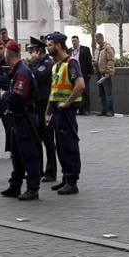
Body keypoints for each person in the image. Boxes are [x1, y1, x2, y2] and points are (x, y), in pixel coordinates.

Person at [0, 40, 43, 201]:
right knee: (17, 155)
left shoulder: (22, 72)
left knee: (29, 154)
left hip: (25, 118)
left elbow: (18, 96)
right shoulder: (18, 70)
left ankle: (33, 188)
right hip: (18, 118)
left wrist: (4, 95)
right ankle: (15, 185)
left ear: (8, 56)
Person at [45, 32, 85, 195]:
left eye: (50, 44)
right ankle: (65, 178)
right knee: (61, 146)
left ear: (59, 45)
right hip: (57, 112)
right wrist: (48, 111)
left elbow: (80, 85)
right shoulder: (56, 66)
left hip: (66, 111)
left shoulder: (71, 63)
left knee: (69, 145)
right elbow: (54, 90)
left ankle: (72, 180)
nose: (48, 47)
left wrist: (67, 102)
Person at [27, 36, 58, 181]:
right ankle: (37, 170)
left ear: (39, 51)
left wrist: (32, 64)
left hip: (46, 106)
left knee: (48, 139)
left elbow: (35, 77)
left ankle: (51, 172)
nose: (31, 54)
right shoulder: (37, 63)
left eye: (32, 51)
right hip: (36, 105)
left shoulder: (48, 63)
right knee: (36, 139)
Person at [70, 35, 95, 115]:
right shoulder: (69, 51)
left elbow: (89, 61)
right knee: (76, 93)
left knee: (85, 92)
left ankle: (87, 109)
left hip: (84, 74)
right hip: (73, 76)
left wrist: (90, 73)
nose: (74, 42)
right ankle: (79, 109)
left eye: (75, 40)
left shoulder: (85, 49)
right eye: (73, 41)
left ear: (78, 41)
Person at [94, 33, 116, 116]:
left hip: (105, 74)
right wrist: (95, 63)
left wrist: (108, 72)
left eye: (97, 39)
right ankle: (104, 110)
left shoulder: (108, 48)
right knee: (101, 93)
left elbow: (111, 60)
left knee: (108, 93)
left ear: (101, 38)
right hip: (99, 73)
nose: (96, 41)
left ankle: (110, 111)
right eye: (96, 39)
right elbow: (98, 60)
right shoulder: (97, 49)